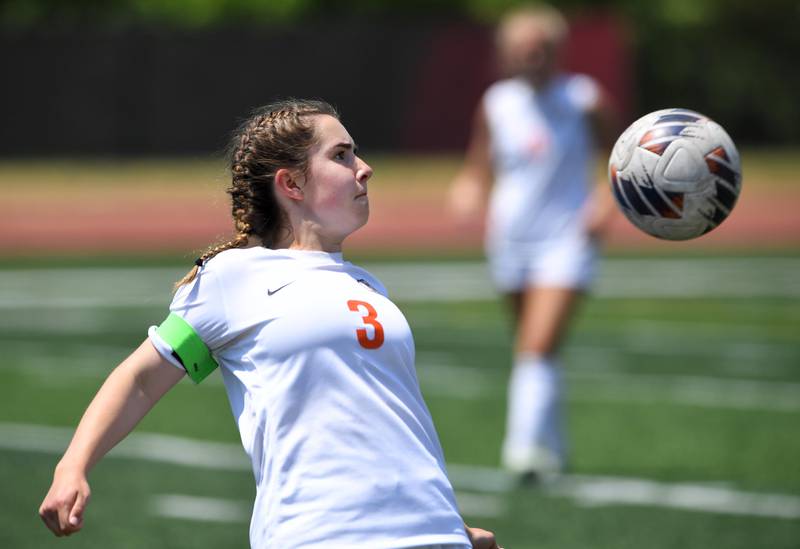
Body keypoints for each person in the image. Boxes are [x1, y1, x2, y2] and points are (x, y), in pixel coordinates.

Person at [39, 99, 499, 549]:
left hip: (430, 534)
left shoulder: (368, 285)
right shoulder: (233, 278)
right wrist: (73, 466)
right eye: (341, 155)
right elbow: (142, 378)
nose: (364, 167)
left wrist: (444, 525)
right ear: (292, 184)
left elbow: (392, 421)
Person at [448, 4, 617, 481]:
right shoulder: (497, 102)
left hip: (568, 238)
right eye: (522, 51)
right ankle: (556, 447)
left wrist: (605, 202)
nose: (531, 59)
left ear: (557, 51)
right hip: (510, 239)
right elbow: (480, 165)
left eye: (540, 50)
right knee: (534, 348)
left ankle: (520, 451)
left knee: (536, 347)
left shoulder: (583, 98)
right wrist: (468, 191)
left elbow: (623, 158)